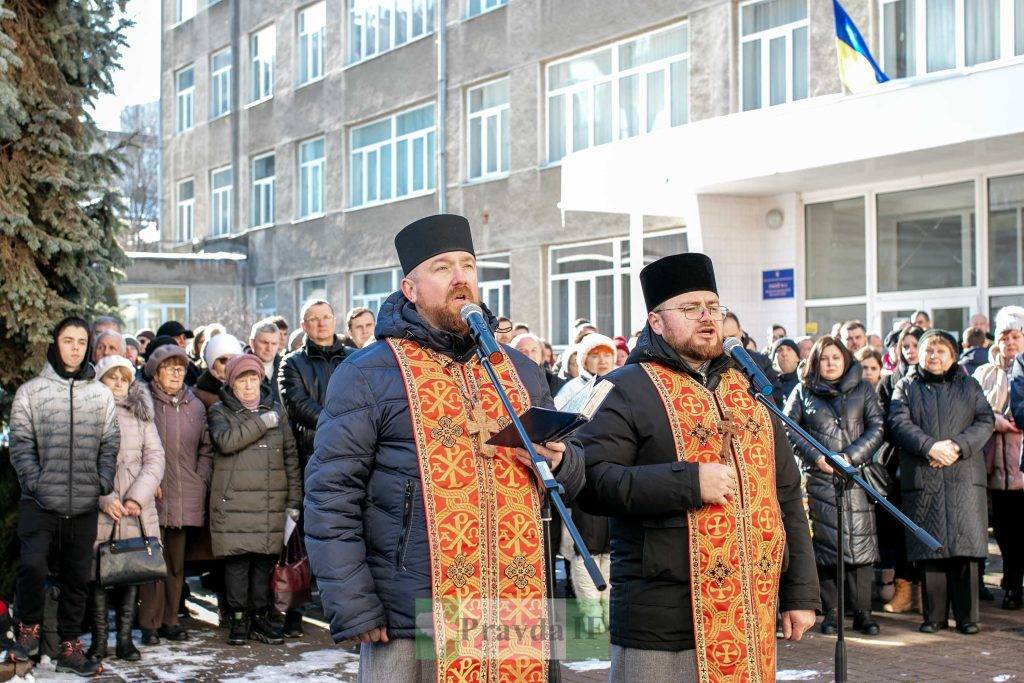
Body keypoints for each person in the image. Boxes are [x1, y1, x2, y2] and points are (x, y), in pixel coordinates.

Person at [304, 214, 584, 681]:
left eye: (468, 265)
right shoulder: (368, 372)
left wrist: (562, 460)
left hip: (511, 603)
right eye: (442, 267)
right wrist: (354, 604)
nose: (461, 278)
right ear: (409, 288)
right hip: (411, 609)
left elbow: (574, 475)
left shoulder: (519, 370)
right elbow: (331, 493)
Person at [576, 254, 818, 681]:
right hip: (665, 614)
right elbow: (593, 483)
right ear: (656, 321)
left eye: (714, 307)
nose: (708, 318)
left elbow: (785, 493)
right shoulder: (624, 388)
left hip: (748, 608)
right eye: (691, 309)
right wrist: (687, 482)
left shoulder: (747, 389)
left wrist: (800, 591)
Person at [8, 317, 119, 676]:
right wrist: (36, 483)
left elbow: (110, 441)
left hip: (83, 502)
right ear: (55, 343)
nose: (74, 347)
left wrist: (102, 480)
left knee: (76, 577)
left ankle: (70, 648)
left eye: (81, 341)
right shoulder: (32, 392)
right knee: (32, 564)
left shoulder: (99, 394)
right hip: (39, 501)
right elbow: (21, 444)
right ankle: (27, 630)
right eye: (68, 340)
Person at [888, 329, 994, 634]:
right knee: (930, 550)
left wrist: (956, 447)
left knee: (965, 551)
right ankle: (933, 617)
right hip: (926, 473)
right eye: (928, 351)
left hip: (963, 475)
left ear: (953, 356)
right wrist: (930, 447)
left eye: (941, 351)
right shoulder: (906, 386)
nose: (934, 357)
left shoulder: (969, 385)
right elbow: (898, 421)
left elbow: (985, 420)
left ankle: (967, 618)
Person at [784, 337, 884, 636]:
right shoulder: (803, 391)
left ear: (846, 360)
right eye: (824, 358)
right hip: (820, 477)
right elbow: (788, 427)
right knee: (827, 548)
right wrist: (817, 456)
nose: (830, 363)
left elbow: (877, 426)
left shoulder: (863, 389)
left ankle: (864, 612)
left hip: (854, 475)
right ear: (815, 362)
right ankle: (833, 612)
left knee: (861, 545)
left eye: (835, 357)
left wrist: (849, 457)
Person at [208, 354, 302, 646]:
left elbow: (290, 456)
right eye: (241, 380)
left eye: (253, 379)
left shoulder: (277, 410)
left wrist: (294, 500)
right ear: (231, 383)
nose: (249, 386)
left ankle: (260, 617)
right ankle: (238, 619)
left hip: (270, 502)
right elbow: (226, 442)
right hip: (233, 502)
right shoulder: (219, 412)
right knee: (237, 564)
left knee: (263, 563)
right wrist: (262, 423)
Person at [137, 344, 215, 645]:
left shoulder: (194, 404)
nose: (175, 372)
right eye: (169, 367)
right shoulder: (144, 402)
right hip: (151, 495)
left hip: (184, 494)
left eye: (180, 368)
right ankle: (149, 624)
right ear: (156, 372)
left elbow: (207, 447)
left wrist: (200, 478)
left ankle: (170, 620)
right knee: (150, 562)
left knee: (176, 563)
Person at [89, 356, 165, 662]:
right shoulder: (89, 414)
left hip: (136, 506)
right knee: (99, 574)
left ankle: (124, 641)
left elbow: (155, 457)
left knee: (132, 570)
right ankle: (98, 641)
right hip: (103, 505)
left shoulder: (141, 413)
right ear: (100, 380)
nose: (119, 383)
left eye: (124, 378)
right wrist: (103, 496)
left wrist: (138, 496)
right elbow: (81, 460)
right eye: (112, 377)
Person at [973, 306, 1024, 610]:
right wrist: (995, 420)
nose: (1010, 342)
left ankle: (1015, 583)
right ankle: (1011, 583)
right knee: (1004, 531)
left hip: (1022, 466)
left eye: (1016, 336)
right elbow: (975, 410)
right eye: (1005, 336)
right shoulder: (984, 373)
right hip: (995, 469)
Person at [877, 324, 925, 614]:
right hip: (896, 467)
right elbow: (887, 425)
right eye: (904, 345)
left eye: (914, 344)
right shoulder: (889, 382)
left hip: (927, 465)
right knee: (900, 533)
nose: (910, 350)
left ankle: (926, 592)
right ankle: (904, 587)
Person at [555, 333, 616, 410]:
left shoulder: (622, 384)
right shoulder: (571, 389)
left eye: (607, 355)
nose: (602, 361)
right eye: (595, 356)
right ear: (584, 361)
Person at [723, 310, 779, 387]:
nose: (729, 342)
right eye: (723, 339)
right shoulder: (712, 366)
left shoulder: (762, 361)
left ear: (740, 331)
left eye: (732, 337)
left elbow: (775, 394)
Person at [193, 333, 244, 408]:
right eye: (223, 360)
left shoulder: (250, 385)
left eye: (233, 359)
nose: (229, 364)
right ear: (211, 364)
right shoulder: (199, 394)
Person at [156, 321, 201, 385]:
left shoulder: (191, 366)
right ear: (163, 341)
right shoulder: (155, 369)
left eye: (184, 338)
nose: (183, 342)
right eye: (177, 338)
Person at [248, 320, 282, 404]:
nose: (269, 348)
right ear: (252, 343)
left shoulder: (288, 368)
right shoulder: (239, 370)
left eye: (274, 344)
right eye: (264, 342)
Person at [771, 337, 801, 405]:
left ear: (798, 358)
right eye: (779, 350)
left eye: (789, 349)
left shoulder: (805, 382)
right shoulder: (767, 384)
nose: (784, 354)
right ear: (773, 359)